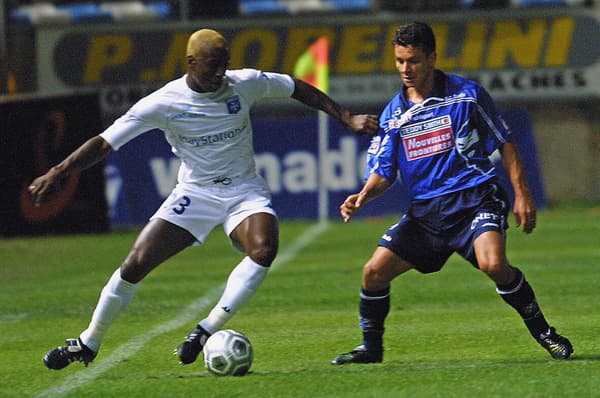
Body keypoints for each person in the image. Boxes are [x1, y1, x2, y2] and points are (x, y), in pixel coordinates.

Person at [30, 28, 379, 370]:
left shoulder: (244, 83)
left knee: (264, 247)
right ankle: (88, 342)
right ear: (191, 62)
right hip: (195, 194)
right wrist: (58, 172)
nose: (220, 73)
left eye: (224, 64)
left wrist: (347, 118)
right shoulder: (163, 103)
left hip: (244, 191)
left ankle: (205, 329)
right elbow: (105, 143)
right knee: (135, 264)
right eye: (212, 65)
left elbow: (295, 87)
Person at [331, 22, 573, 365]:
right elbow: (384, 171)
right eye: (399, 61)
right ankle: (371, 349)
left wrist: (522, 194)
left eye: (412, 61)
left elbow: (504, 142)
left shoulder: (467, 95)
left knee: (493, 264)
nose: (405, 69)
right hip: (427, 213)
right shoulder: (394, 114)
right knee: (373, 272)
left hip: (475, 198)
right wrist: (363, 195)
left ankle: (544, 332)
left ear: (431, 57)